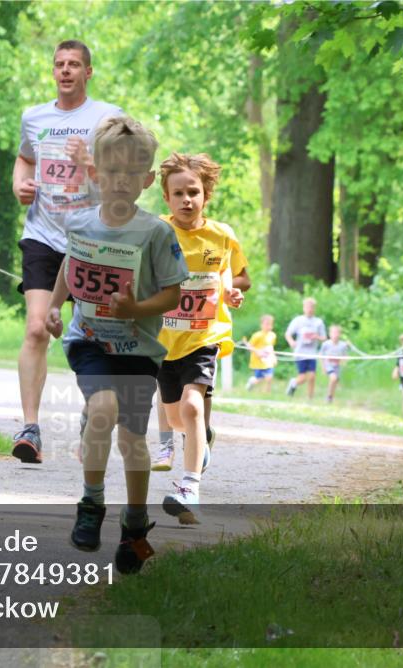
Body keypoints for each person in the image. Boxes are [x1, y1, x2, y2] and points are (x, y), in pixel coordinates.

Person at [45, 115, 187, 573]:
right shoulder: (81, 223)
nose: (121, 180)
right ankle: (91, 503)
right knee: (103, 409)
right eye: (112, 171)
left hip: (138, 349)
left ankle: (135, 524)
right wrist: (54, 305)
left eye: (131, 172)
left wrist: (136, 308)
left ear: (147, 178)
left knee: (132, 439)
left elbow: (173, 293)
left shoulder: (156, 233)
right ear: (95, 174)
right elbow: (70, 264)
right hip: (89, 341)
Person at [10, 39, 125, 463]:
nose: (65, 70)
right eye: (59, 64)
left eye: (74, 64)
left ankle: (91, 419)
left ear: (88, 72)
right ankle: (30, 428)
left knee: (93, 336)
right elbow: (24, 158)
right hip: (43, 235)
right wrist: (19, 185)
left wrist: (90, 163)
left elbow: (124, 179)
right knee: (36, 328)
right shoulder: (33, 117)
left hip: (93, 238)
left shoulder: (108, 117)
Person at [149, 152, 249, 524]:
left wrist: (232, 291)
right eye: (178, 193)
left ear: (205, 195)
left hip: (204, 335)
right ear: (166, 197)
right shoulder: (154, 232)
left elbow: (238, 275)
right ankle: (200, 438)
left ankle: (189, 488)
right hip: (164, 339)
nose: (186, 200)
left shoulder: (221, 235)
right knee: (177, 418)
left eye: (193, 192)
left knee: (192, 406)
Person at [285, 297, 327, 399]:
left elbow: (324, 338)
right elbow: (288, 334)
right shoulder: (298, 320)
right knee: (303, 377)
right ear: (303, 308)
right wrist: (291, 342)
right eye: (307, 307)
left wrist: (317, 337)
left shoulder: (318, 322)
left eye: (312, 307)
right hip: (300, 353)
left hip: (312, 353)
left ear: (314, 308)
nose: (309, 309)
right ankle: (294, 383)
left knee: (312, 376)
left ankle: (310, 398)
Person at [245, 314, 277, 393]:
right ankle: (252, 382)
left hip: (268, 360)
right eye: (266, 324)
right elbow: (249, 346)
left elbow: (271, 347)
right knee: (259, 378)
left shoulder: (272, 335)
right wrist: (258, 352)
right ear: (261, 325)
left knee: (269, 377)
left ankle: (267, 393)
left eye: (270, 324)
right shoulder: (257, 335)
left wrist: (274, 357)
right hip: (258, 361)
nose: (268, 326)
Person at [319, 325, 350, 403]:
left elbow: (345, 356)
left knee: (334, 382)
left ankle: (330, 397)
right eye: (333, 333)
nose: (335, 335)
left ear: (340, 334)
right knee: (333, 378)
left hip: (337, 367)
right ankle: (329, 397)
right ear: (330, 334)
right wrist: (323, 367)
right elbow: (321, 356)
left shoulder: (343, 345)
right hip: (328, 365)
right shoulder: (326, 344)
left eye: (337, 333)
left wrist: (344, 362)